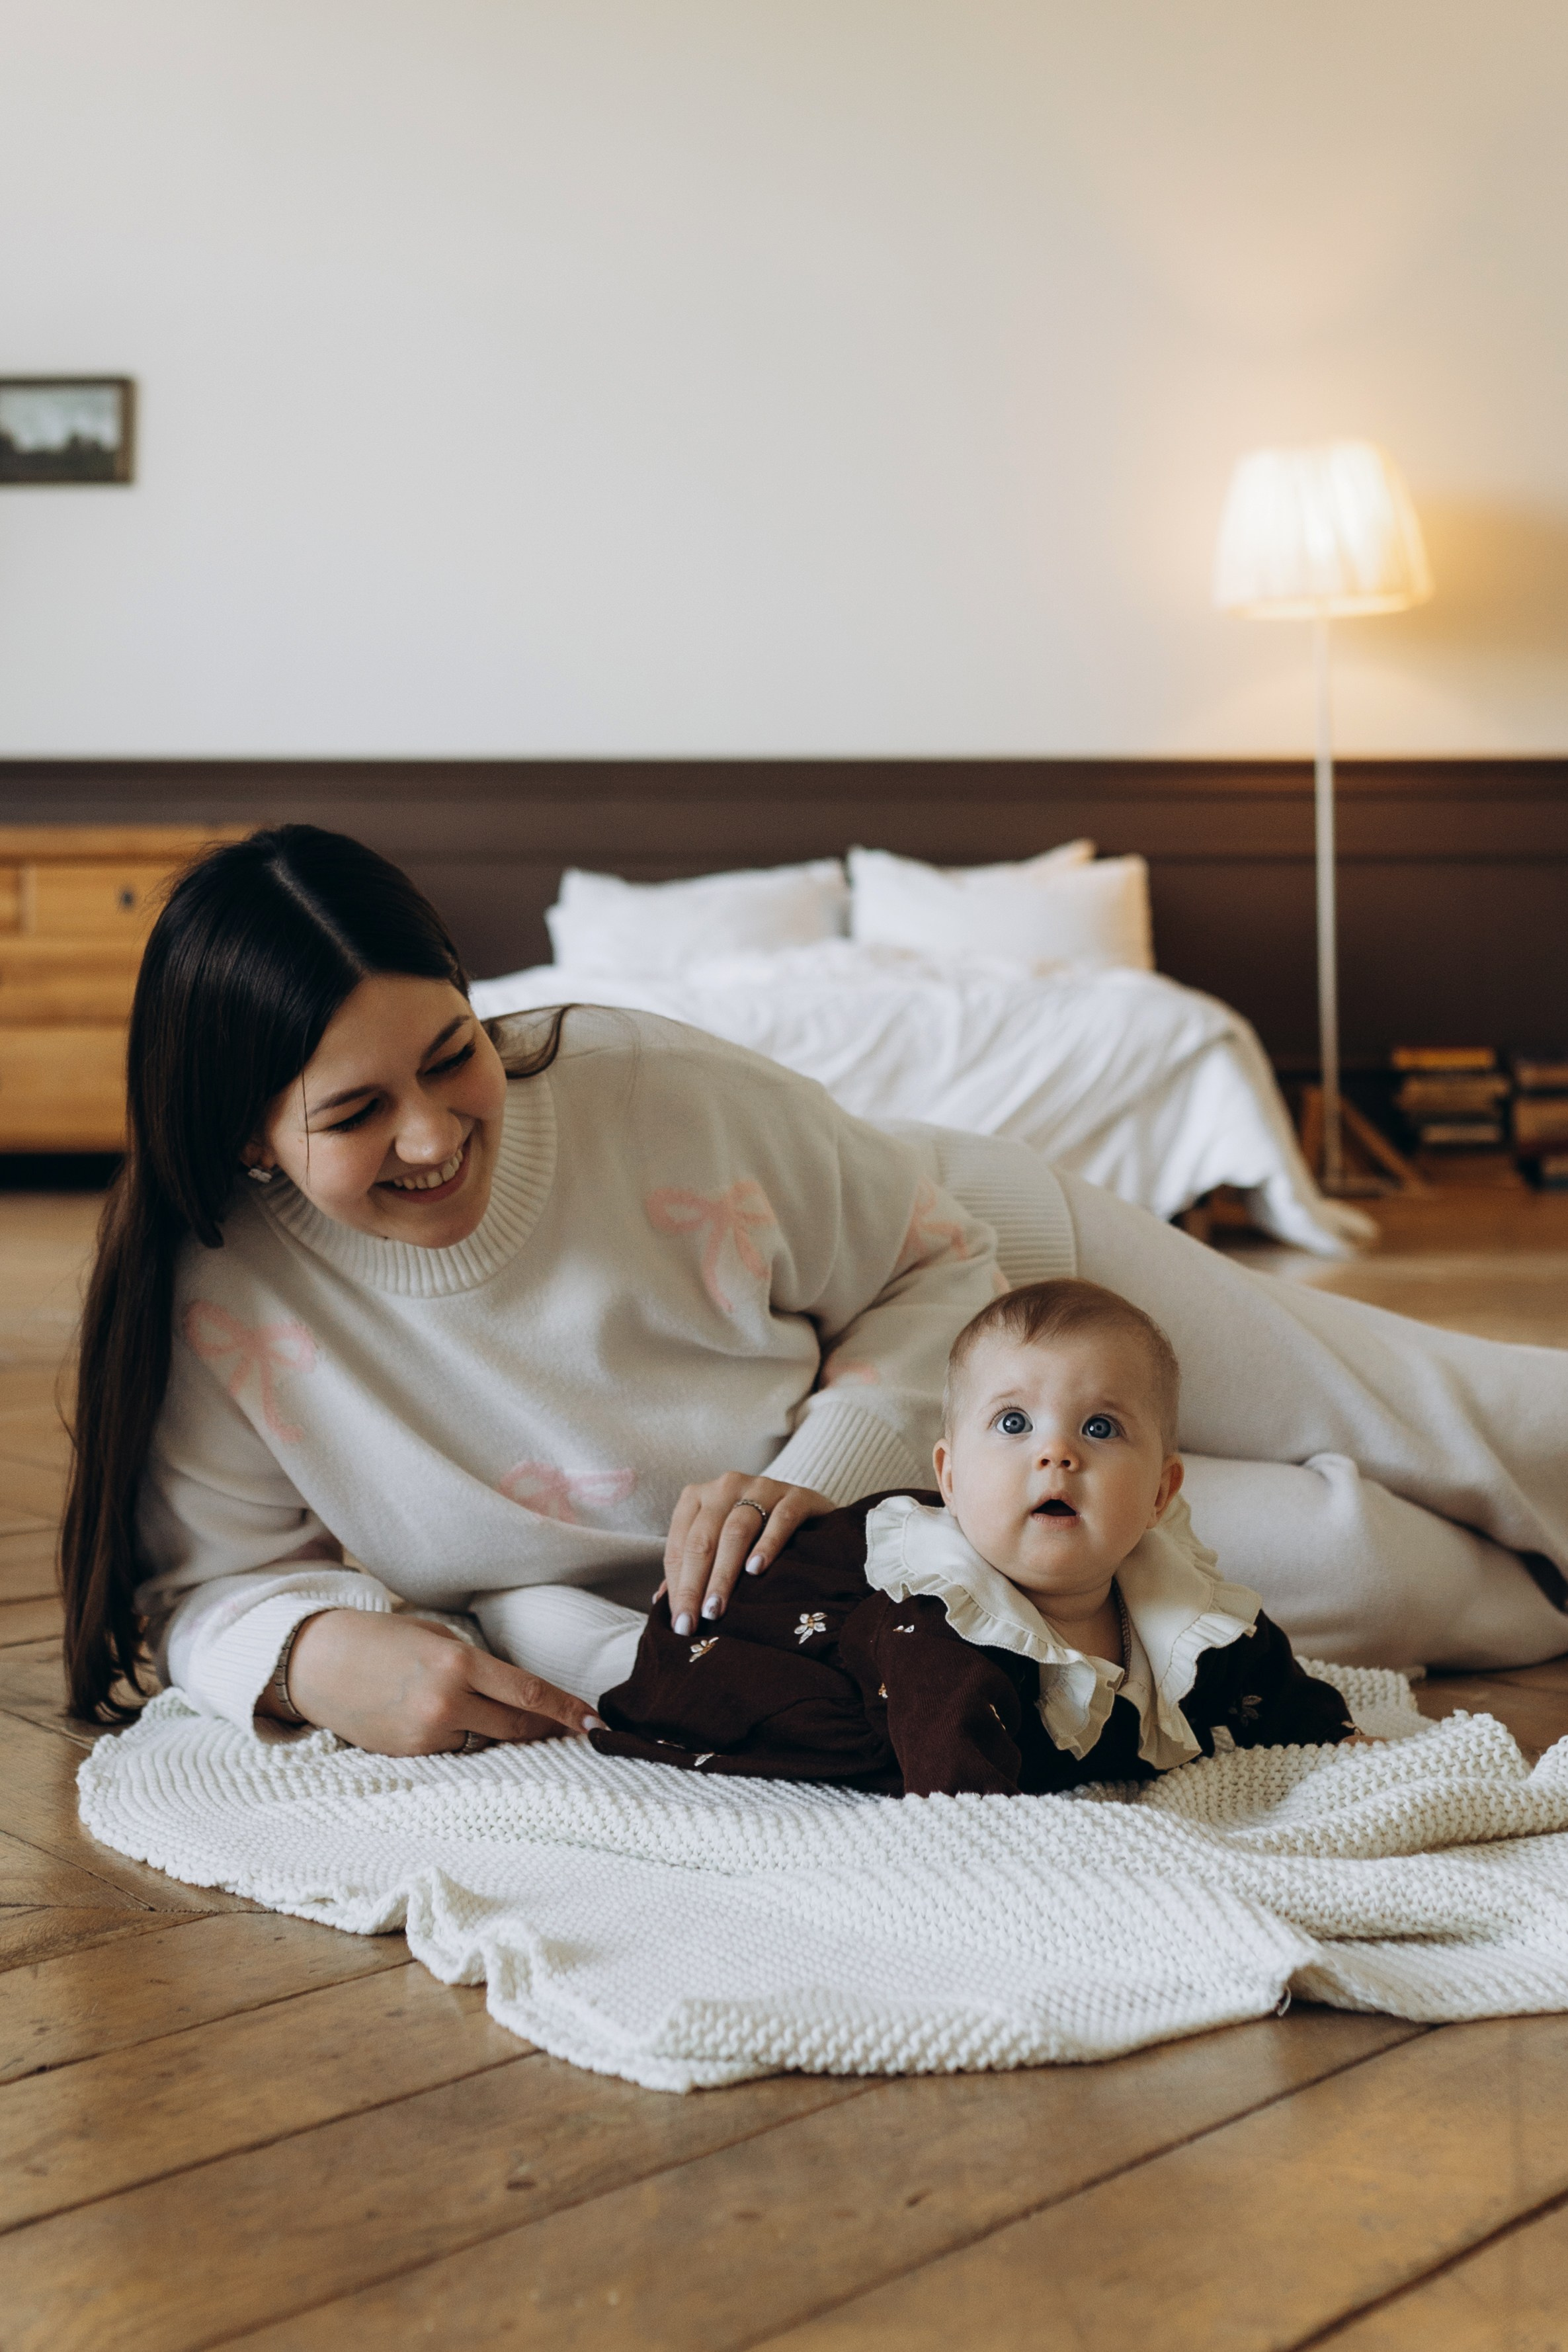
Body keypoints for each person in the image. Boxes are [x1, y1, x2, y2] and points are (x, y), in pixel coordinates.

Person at [60, 827, 1568, 1759]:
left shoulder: (635, 1081)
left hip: (974, 1266)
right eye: (352, 1117)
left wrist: (800, 1476)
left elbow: (930, 1262)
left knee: (1454, 1419)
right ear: (243, 1135)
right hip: (884, 1535)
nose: (436, 1134)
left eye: (453, 1053)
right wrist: (316, 1660)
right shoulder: (220, 1299)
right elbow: (211, 1583)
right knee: (1371, 1574)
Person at [587, 1278, 1358, 1794]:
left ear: (1160, 1492)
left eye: (1100, 1425)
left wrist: (1334, 1738)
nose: (1055, 1453)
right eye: (1013, 1423)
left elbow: (1259, 1677)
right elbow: (963, 1807)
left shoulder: (1176, 1601)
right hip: (757, 1631)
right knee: (675, 1671)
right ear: (949, 1477)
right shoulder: (940, 1625)